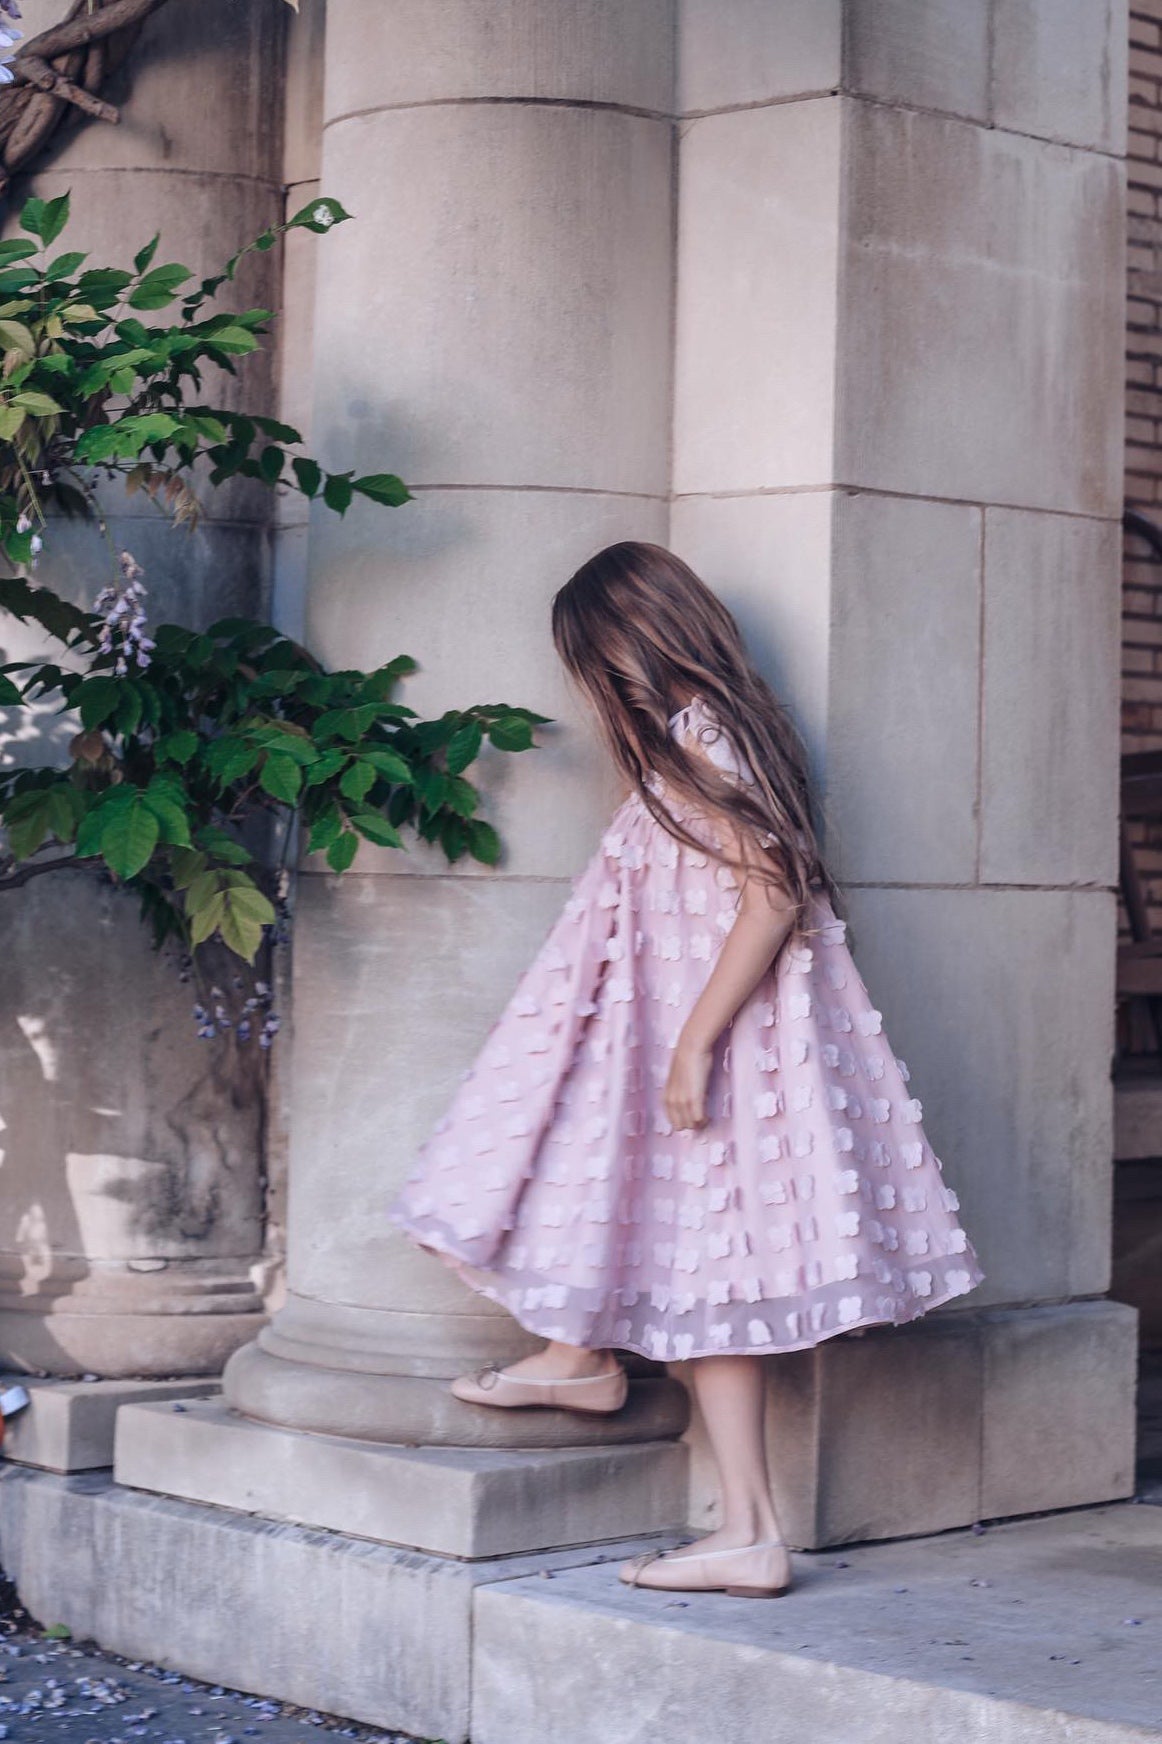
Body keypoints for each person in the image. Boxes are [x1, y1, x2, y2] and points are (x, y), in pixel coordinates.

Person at [389, 540, 986, 1599]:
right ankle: (593, 1370)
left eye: (597, 662)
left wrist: (697, 1038)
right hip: (677, 1028)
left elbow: (771, 887)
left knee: (709, 1263)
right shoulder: (703, 731)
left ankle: (736, 1514)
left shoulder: (703, 731)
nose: (598, 687)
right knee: (685, 1247)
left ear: (631, 643)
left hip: (722, 1040)